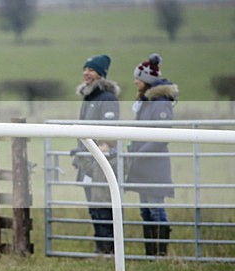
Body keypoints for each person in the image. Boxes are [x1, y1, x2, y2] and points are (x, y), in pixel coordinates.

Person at [125, 53, 179, 256]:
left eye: (138, 77)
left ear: (147, 79)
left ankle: (160, 253)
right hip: (144, 166)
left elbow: (161, 136)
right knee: (146, 210)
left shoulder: (159, 103)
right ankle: (152, 253)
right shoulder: (147, 102)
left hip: (153, 166)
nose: (135, 81)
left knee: (155, 209)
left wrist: (138, 153)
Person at [72, 54, 121, 254]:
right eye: (85, 69)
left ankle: (108, 247)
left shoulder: (107, 98)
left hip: (101, 161)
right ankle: (101, 245)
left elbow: (109, 129)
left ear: (101, 74)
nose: (86, 73)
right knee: (93, 204)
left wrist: (105, 147)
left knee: (102, 203)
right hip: (87, 160)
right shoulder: (88, 97)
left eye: (91, 70)